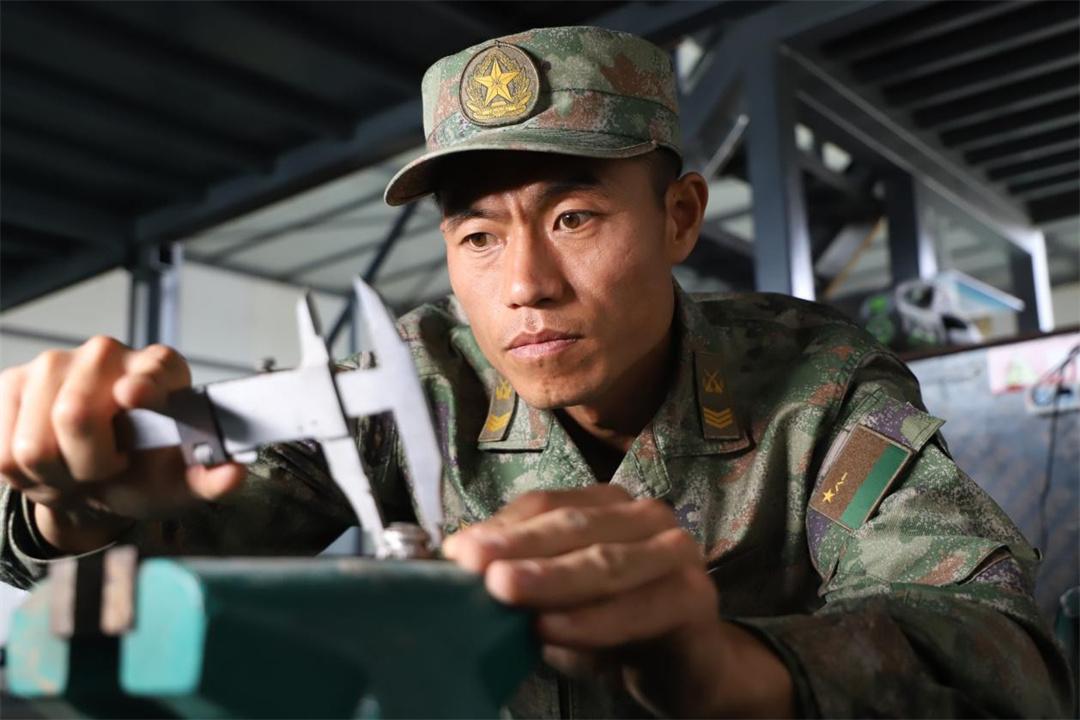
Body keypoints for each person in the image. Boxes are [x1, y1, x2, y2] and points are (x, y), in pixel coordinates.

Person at [0, 25, 1072, 718]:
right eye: (478, 236)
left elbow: (1004, 659)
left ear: (680, 218)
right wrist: (72, 505)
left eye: (574, 217)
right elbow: (153, 550)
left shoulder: (818, 383)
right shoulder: (407, 382)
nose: (525, 284)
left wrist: (725, 668)